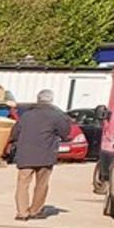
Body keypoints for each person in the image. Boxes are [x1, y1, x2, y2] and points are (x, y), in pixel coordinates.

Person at [11, 89, 73, 220]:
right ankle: (35, 211)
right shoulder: (57, 116)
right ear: (51, 100)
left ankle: (22, 212)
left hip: (25, 154)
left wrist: (15, 142)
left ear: (38, 99)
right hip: (46, 154)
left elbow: (15, 133)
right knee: (42, 184)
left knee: (23, 184)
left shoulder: (26, 115)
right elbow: (65, 133)